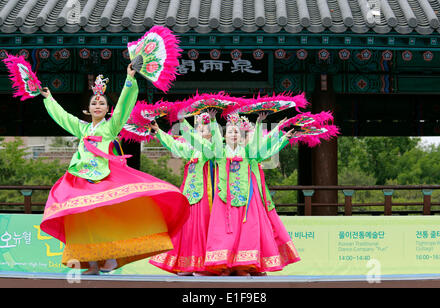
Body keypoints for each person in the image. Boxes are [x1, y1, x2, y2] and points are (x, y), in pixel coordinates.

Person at [39, 64, 190, 275]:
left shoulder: (110, 127)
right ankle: (91, 263)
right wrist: (49, 99)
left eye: (102, 103)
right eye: (94, 103)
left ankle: (110, 256)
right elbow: (63, 117)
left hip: (104, 178)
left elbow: (122, 108)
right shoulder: (82, 128)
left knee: (106, 218)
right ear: (88, 109)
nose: (98, 105)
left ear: (107, 109)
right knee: (83, 221)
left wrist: (129, 80)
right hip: (81, 180)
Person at [201, 113, 300, 276]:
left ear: (241, 135)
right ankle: (224, 266)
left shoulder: (247, 154)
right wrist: (212, 121)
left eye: (237, 132)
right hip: (225, 199)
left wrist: (261, 123)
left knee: (248, 232)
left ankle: (244, 266)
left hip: (246, 198)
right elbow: (216, 142)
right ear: (224, 135)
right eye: (230, 132)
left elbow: (261, 145)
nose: (234, 134)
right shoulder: (220, 154)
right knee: (225, 233)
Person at [148, 110, 218, 276]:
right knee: (187, 229)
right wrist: (158, 132)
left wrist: (183, 122)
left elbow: (195, 140)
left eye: (204, 130)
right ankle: (187, 264)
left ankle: (203, 265)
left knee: (202, 228)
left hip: (205, 194)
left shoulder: (212, 149)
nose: (200, 132)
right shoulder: (192, 150)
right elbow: (174, 145)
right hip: (189, 193)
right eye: (198, 129)